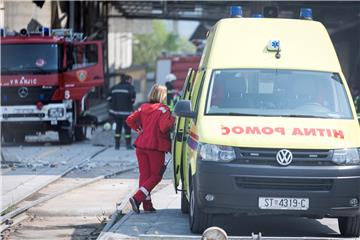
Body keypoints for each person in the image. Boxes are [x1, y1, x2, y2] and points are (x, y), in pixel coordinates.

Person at [126, 84, 175, 213]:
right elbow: (164, 127)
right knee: (156, 176)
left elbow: (130, 120)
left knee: (145, 176)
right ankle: (137, 199)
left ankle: (147, 205)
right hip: (155, 147)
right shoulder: (164, 109)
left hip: (140, 146)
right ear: (162, 95)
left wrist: (139, 130)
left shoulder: (143, 107)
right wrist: (173, 119)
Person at [108, 73, 136, 150]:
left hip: (116, 113)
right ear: (127, 80)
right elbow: (132, 100)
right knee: (127, 129)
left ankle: (117, 146)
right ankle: (128, 145)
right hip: (127, 113)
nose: (131, 81)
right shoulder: (130, 88)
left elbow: (109, 99)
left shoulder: (114, 88)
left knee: (118, 128)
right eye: (130, 80)